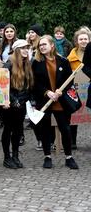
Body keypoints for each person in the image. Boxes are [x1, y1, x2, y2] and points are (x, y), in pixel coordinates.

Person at [32, 35, 78, 169]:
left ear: (52, 45)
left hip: (61, 101)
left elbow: (70, 81)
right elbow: (34, 83)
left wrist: (60, 92)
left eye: (44, 44)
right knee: (45, 130)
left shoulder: (63, 61)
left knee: (65, 129)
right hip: (44, 101)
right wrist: (47, 92)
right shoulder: (36, 62)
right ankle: (47, 157)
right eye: (40, 45)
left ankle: (69, 157)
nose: (42, 47)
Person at [1, 39, 33, 169]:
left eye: (27, 47)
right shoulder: (8, 64)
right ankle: (6, 158)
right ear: (16, 50)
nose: (26, 50)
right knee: (8, 130)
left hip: (21, 103)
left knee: (18, 131)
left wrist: (25, 100)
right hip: (9, 104)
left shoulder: (27, 64)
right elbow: (4, 85)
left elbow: (28, 86)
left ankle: (15, 156)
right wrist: (14, 100)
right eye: (23, 48)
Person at [67, 28, 90, 149]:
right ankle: (72, 141)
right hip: (76, 88)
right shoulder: (71, 57)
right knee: (74, 113)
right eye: (81, 39)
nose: (83, 41)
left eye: (86, 39)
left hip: (89, 88)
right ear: (77, 41)